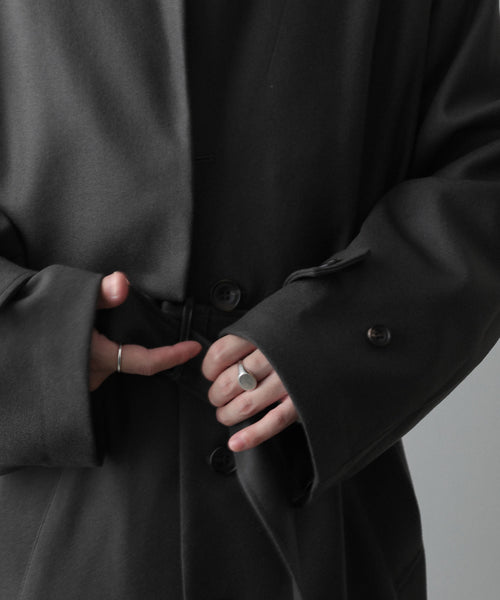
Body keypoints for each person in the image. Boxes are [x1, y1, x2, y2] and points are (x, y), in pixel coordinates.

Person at [0, 1, 499, 599]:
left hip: (315, 501)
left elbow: (483, 164)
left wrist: (336, 336)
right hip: (54, 518)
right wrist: (34, 339)